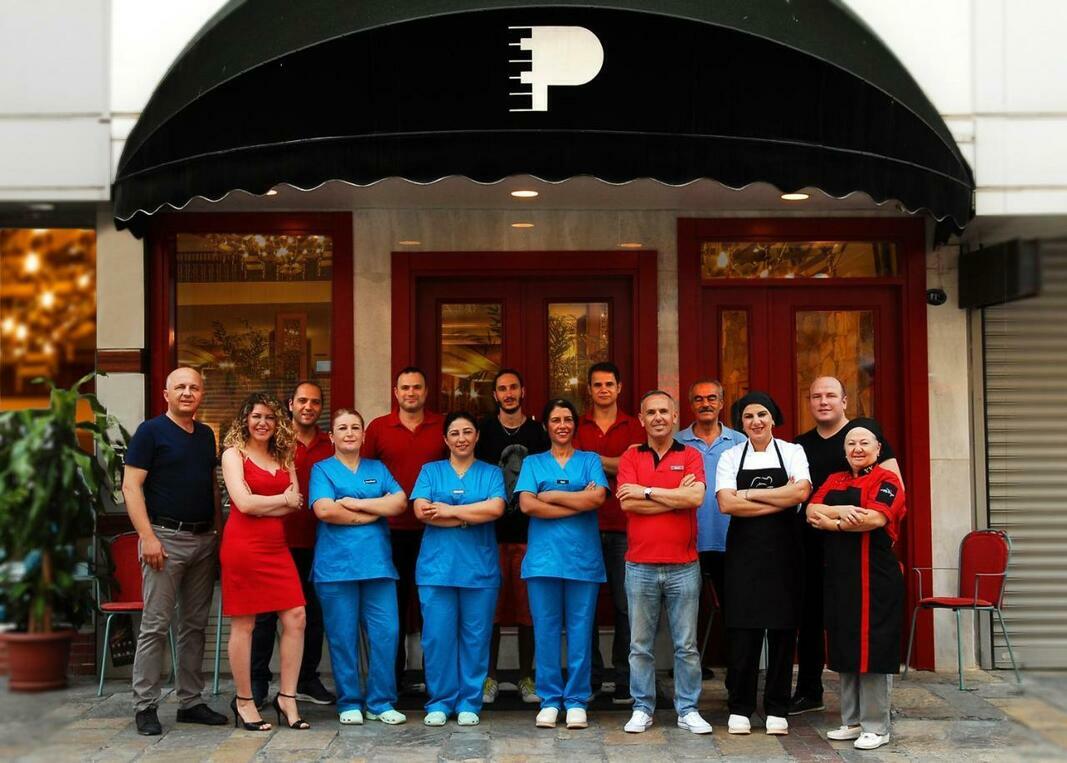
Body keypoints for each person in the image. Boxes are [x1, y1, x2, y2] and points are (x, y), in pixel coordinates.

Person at [123, 367, 228, 735]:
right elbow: (131, 487)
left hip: (204, 540)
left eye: (194, 387)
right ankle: (145, 705)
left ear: (201, 394)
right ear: (166, 394)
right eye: (180, 387)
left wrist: (219, 533)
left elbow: (212, 488)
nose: (187, 392)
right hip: (164, 539)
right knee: (155, 626)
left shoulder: (206, 435)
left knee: (195, 626)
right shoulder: (150, 432)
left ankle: (191, 701)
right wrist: (148, 537)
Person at [791, 377, 901, 715]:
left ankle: (872, 713)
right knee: (814, 619)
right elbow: (808, 503)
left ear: (844, 401)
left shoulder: (866, 436)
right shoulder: (800, 445)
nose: (823, 401)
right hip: (813, 545)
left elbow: (891, 495)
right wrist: (836, 516)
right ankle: (811, 691)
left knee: (863, 627)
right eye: (816, 396)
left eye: (830, 395)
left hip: (862, 551)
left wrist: (834, 521)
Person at [805, 418, 906, 751]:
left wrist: (832, 523)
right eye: (851, 443)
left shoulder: (888, 480)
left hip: (875, 577)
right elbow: (811, 511)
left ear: (878, 448)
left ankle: (877, 726)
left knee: (873, 649)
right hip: (841, 576)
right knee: (845, 644)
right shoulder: (834, 479)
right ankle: (852, 721)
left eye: (864, 443)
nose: (857, 449)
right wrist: (845, 511)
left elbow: (874, 518)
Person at [617, 390, 713, 736]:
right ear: (641, 419)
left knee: (686, 646)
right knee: (639, 646)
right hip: (639, 565)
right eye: (651, 412)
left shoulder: (690, 455)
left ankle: (688, 709)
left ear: (675, 417)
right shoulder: (631, 456)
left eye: (664, 411)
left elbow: (696, 497)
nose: (658, 417)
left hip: (683, 565)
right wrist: (674, 497)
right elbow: (627, 504)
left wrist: (646, 491)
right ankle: (642, 707)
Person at [716, 392, 811, 736]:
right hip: (744, 554)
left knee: (783, 631)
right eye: (748, 416)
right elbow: (726, 504)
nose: (756, 421)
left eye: (762, 415)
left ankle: (776, 708)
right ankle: (740, 707)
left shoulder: (793, 451)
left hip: (785, 553)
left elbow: (800, 494)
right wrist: (778, 498)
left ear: (773, 418)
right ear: (741, 424)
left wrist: (749, 494)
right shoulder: (729, 456)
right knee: (743, 630)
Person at [309, 408, 409, 726]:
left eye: (355, 427)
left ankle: (380, 702)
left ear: (364, 435)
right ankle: (349, 701)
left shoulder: (377, 468)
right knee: (342, 637)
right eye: (342, 428)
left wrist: (355, 504)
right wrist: (373, 513)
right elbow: (325, 510)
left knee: (386, 633)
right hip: (336, 568)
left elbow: (399, 502)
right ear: (332, 436)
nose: (349, 433)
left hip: (378, 567)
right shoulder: (322, 470)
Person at [516, 398, 608, 730]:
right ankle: (550, 700)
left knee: (581, 633)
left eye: (568, 419)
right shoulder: (533, 462)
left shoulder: (590, 460)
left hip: (583, 560)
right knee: (546, 632)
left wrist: (551, 496)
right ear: (546, 426)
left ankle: (577, 700)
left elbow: (598, 498)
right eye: (556, 420)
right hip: (544, 561)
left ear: (575, 424)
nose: (562, 425)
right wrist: (577, 501)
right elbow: (527, 505)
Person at [219, 393, 309, 731]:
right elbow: (243, 504)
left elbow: (295, 502)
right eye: (256, 416)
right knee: (245, 624)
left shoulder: (284, 454)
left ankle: (287, 697)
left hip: (276, 546)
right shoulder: (233, 454)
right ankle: (244, 701)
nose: (263, 423)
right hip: (242, 546)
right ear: (245, 419)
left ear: (278, 422)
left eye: (270, 417)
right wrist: (279, 499)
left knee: (296, 616)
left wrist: (269, 502)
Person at [411, 412, 506, 727]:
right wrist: (470, 516)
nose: (461, 438)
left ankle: (469, 701)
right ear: (445, 439)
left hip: (479, 571)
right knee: (437, 639)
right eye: (455, 433)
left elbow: (495, 508)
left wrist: (449, 511)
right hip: (437, 570)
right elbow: (422, 511)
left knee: (475, 639)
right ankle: (440, 701)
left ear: (477, 436)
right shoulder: (431, 471)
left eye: (467, 432)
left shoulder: (491, 473)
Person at [362, 367, 448, 693]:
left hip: (435, 530)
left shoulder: (442, 426)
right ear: (395, 392)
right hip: (389, 532)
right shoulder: (378, 428)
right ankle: (391, 680)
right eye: (405, 388)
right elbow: (364, 474)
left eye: (417, 387)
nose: (411, 393)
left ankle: (434, 678)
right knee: (391, 609)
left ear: (426, 391)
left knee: (433, 607)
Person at [250, 381, 335, 708]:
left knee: (312, 614)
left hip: (319, 542)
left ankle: (306, 679)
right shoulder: (273, 439)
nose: (308, 407)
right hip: (274, 541)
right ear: (290, 404)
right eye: (302, 401)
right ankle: (258, 682)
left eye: (315, 402)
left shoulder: (330, 444)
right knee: (264, 616)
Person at [475, 369, 549, 705]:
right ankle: (488, 677)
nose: (508, 394)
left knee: (527, 610)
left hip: (529, 534)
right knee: (489, 609)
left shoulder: (537, 433)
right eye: (502, 389)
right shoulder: (484, 432)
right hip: (488, 535)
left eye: (513, 388)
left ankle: (526, 677)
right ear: (495, 395)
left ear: (523, 391)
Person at [573, 361, 645, 704]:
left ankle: (624, 678)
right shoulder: (577, 424)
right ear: (589, 389)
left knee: (626, 606)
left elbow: (636, 467)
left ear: (619, 388)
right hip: (583, 526)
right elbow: (573, 468)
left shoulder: (635, 426)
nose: (603, 389)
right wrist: (615, 461)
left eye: (609, 384)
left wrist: (591, 460)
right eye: (597, 384)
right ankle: (591, 677)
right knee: (584, 606)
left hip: (624, 526)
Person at [675, 378, 740, 674]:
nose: (706, 404)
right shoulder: (677, 443)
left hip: (732, 540)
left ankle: (736, 673)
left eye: (712, 398)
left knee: (735, 610)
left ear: (722, 403)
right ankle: (689, 672)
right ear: (691, 405)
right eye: (699, 399)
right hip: (689, 539)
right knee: (687, 612)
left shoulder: (739, 442)